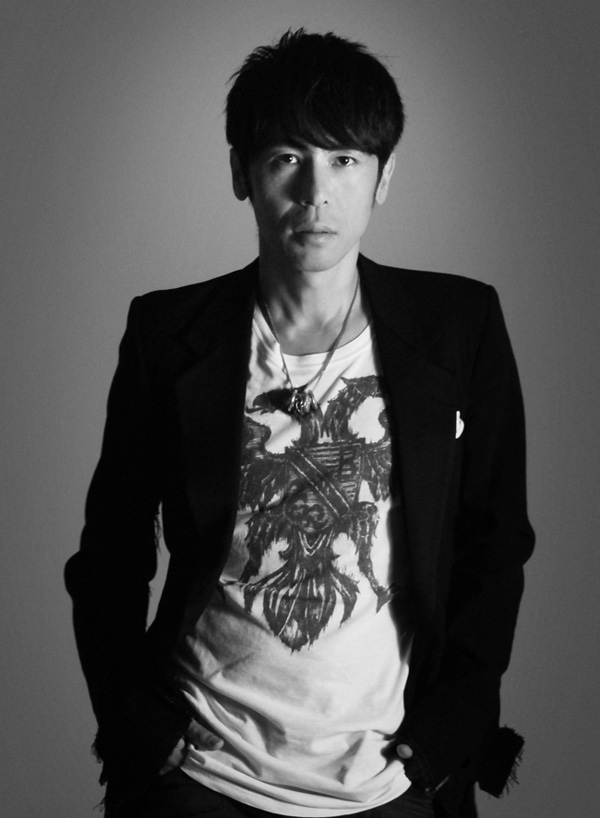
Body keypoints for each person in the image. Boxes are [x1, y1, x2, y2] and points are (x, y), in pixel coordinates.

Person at [65, 29, 535, 818]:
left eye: (345, 159)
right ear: (241, 173)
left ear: (384, 177)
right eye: (288, 157)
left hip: (391, 778)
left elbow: (496, 542)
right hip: (200, 774)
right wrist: (139, 725)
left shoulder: (459, 327)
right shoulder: (169, 335)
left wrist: (453, 727)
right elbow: (110, 554)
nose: (316, 192)